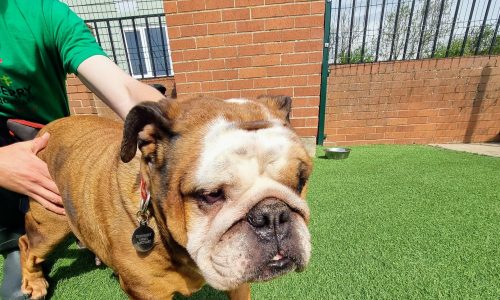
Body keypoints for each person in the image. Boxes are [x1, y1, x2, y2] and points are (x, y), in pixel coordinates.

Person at [0, 0, 165, 298]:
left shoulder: (42, 12)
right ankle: (18, 245)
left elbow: (124, 89)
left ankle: (89, 232)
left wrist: (177, 126)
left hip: (45, 132)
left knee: (65, 193)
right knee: (42, 219)